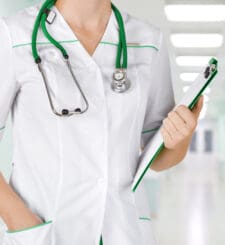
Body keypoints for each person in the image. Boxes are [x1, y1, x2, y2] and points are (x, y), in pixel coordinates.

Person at [0, 0, 204, 244]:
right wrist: (23, 223)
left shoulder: (148, 41)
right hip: (46, 230)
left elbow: (158, 159)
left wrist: (181, 138)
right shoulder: (14, 34)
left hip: (122, 229)